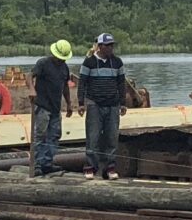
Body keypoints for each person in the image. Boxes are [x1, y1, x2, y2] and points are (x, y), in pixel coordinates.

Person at [79, 33, 128, 178]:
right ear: (100, 46)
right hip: (95, 104)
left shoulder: (117, 62)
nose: (110, 48)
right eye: (107, 45)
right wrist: (81, 103)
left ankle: (110, 168)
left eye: (112, 45)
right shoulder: (89, 62)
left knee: (112, 138)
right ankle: (90, 168)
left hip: (113, 104)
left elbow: (121, 83)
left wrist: (123, 103)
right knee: (93, 137)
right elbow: (82, 83)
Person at [30, 39, 73, 176]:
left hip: (55, 108)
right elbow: (29, 76)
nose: (61, 61)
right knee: (40, 135)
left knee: (54, 135)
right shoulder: (43, 63)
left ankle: (47, 163)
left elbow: (65, 86)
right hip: (43, 106)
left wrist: (69, 103)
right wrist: (32, 89)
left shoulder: (64, 68)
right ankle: (36, 164)